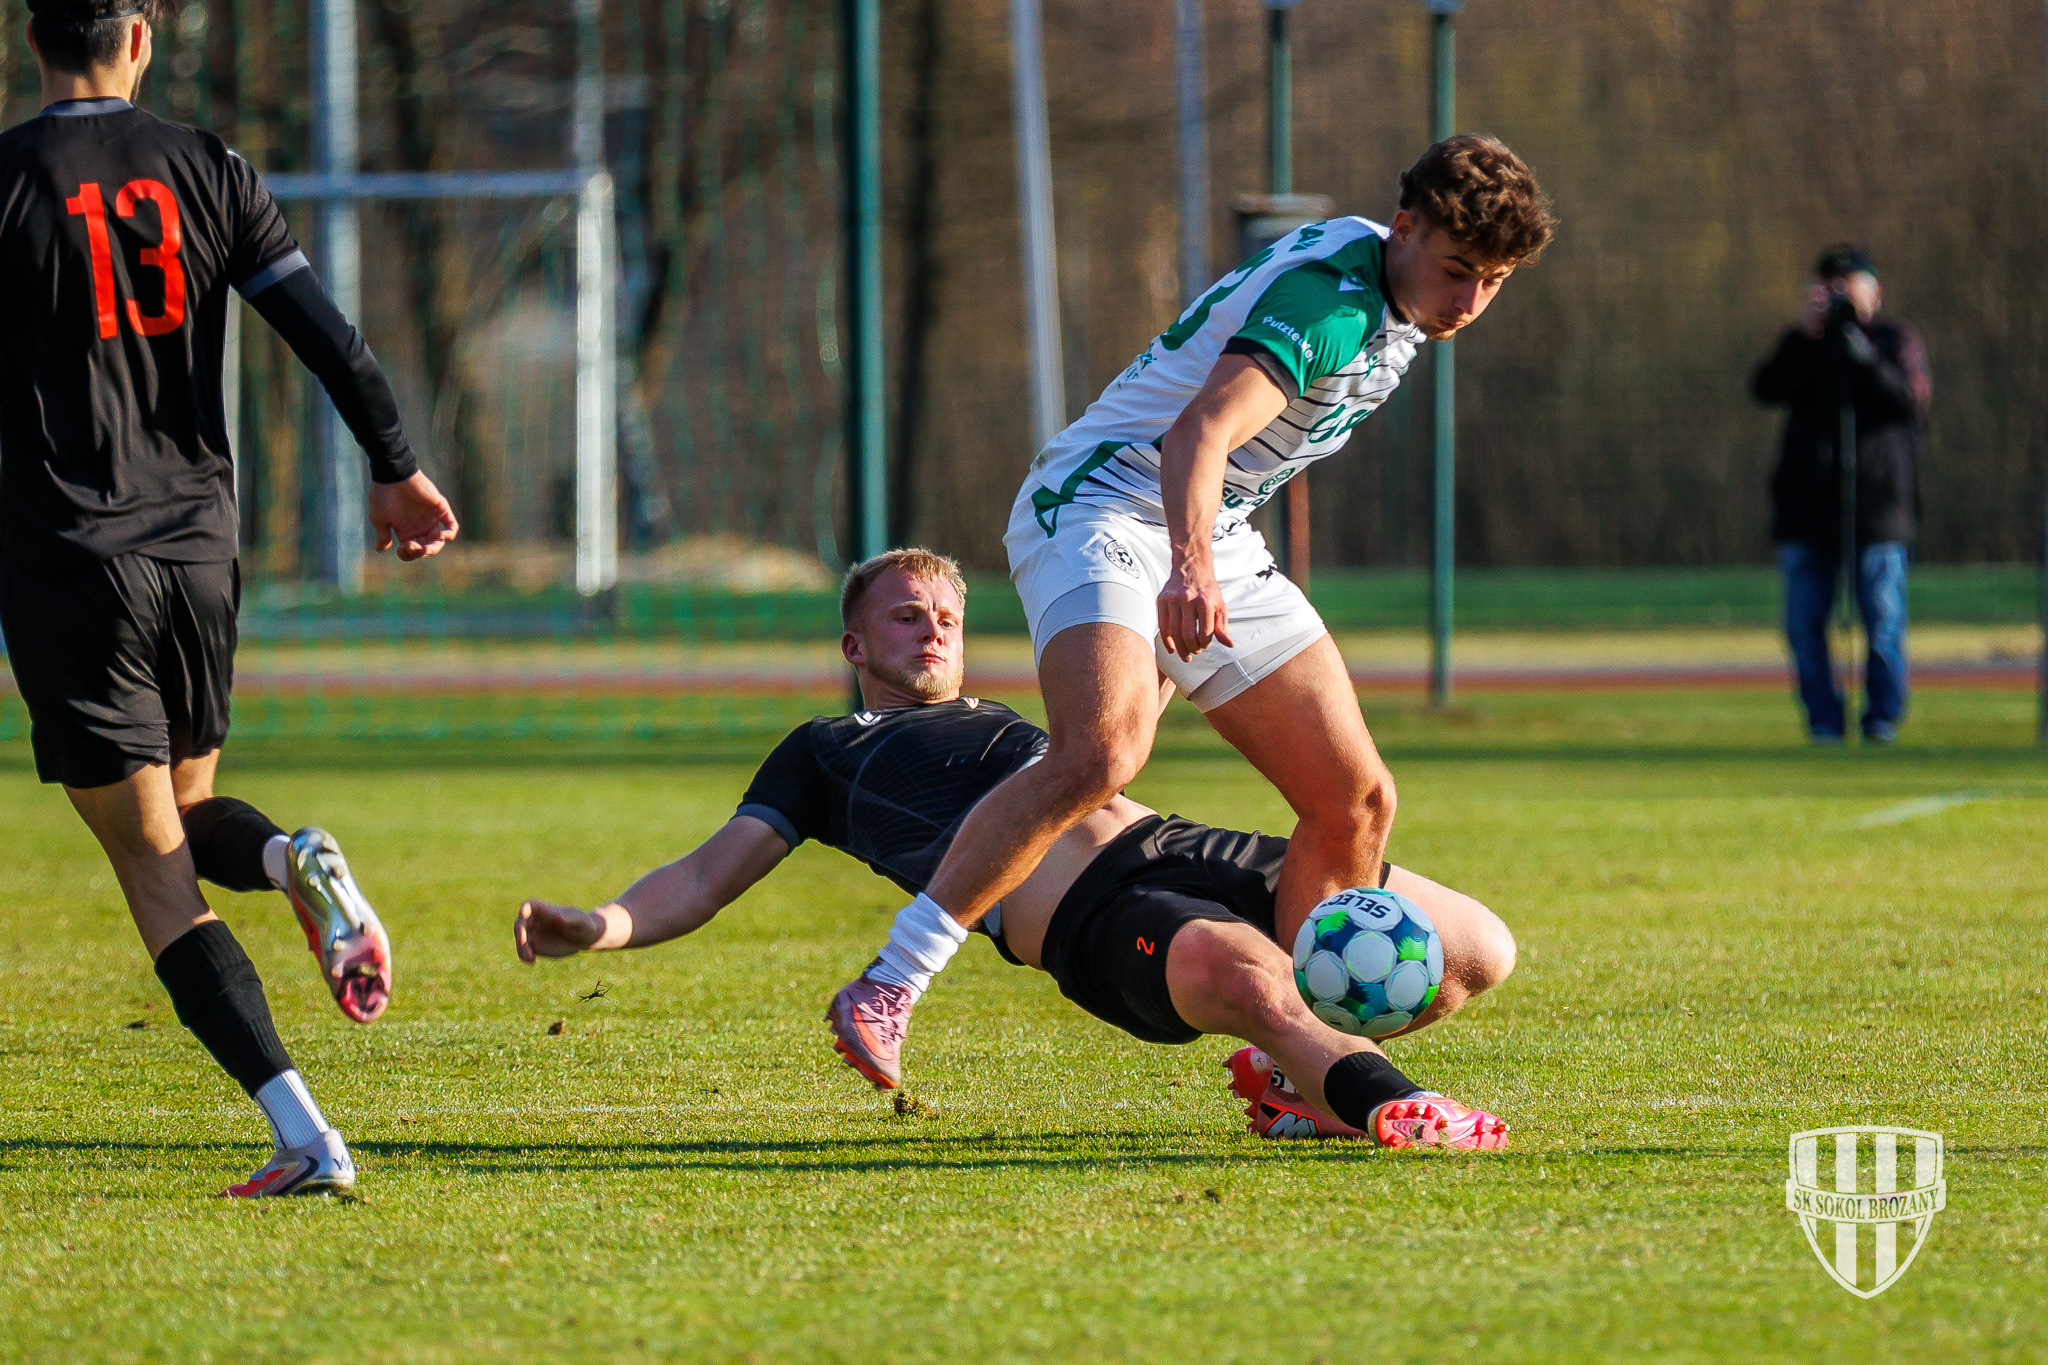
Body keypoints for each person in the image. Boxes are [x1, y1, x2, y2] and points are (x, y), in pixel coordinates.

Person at [825, 135, 1554, 1086]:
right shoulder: (1332, 306)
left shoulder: (1398, 288)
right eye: (1458, 271)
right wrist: (1190, 569)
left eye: (1494, 281)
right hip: (1102, 502)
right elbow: (1198, 432)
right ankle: (891, 980)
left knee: (1356, 801)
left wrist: (1203, 560)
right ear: (1405, 227)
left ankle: (1300, 1070)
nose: (1470, 301)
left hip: (1211, 519)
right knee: (1103, 753)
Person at [515, 550, 1518, 1149]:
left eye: (947, 619)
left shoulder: (1007, 717)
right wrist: (599, 926)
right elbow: (702, 877)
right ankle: (1399, 1108)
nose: (932, 633)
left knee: (1473, 948)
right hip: (1093, 916)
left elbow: (1130, 719)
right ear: (854, 646)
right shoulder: (825, 751)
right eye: (906, 617)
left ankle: (1296, 1082)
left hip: (1178, 842)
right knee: (1252, 978)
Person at [0, 1, 458, 1197]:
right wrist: (396, 466)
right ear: (140, 38)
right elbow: (327, 337)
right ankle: (290, 859)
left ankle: (304, 1134)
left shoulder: (7, 180)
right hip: (200, 550)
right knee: (191, 808)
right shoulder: (210, 167)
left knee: (151, 867)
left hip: (69, 557)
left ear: (31, 41)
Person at [1752, 244, 1931, 744]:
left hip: (1878, 507)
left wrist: (1866, 358)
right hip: (1808, 507)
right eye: (1829, 286)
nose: (1838, 295)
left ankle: (1882, 719)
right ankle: (1824, 722)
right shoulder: (1804, 344)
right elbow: (1765, 388)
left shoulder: (1894, 340)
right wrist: (1810, 337)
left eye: (1848, 285)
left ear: (1875, 291)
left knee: (1883, 617)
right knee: (1804, 623)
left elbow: (1911, 399)